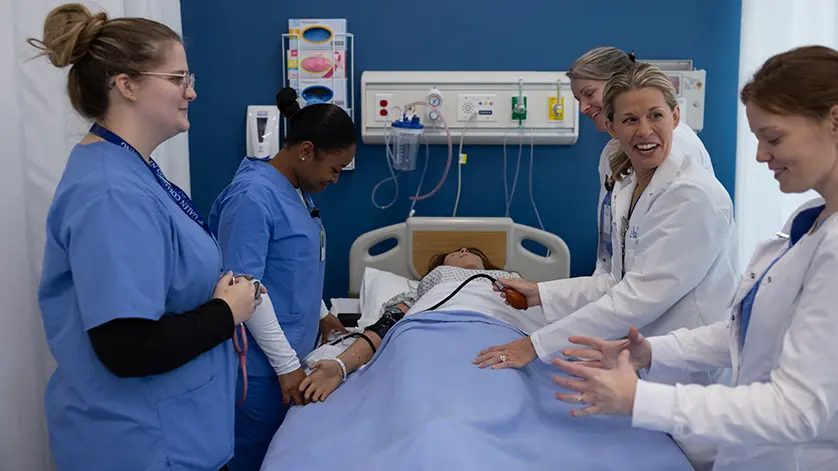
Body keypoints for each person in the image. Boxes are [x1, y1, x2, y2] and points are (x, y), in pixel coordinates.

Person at [550, 45, 838, 471]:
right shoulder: (808, 221)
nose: (760, 155)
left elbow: (796, 409)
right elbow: (749, 331)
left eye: (773, 137)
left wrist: (641, 399)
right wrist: (651, 352)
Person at [474, 63, 738, 470]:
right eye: (630, 119)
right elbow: (616, 280)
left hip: (688, 367)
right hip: (647, 358)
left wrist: (535, 346)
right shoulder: (632, 184)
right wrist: (542, 293)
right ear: (611, 127)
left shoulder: (693, 196)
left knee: (696, 459)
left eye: (656, 116)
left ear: (676, 117)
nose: (645, 130)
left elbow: (636, 297)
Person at [32, 4, 261, 471]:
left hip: (172, 434)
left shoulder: (133, 170)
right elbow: (128, 346)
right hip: (140, 446)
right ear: (127, 84)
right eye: (178, 79)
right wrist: (225, 313)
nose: (191, 92)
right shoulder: (110, 192)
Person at [208, 88, 356, 471]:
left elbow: (292, 263)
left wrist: (322, 314)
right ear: (306, 151)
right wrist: (287, 366)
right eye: (334, 168)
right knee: (256, 461)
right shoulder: (252, 197)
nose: (336, 178)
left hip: (290, 357)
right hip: (259, 370)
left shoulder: (294, 190)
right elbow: (244, 288)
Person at [299, 247, 535, 403]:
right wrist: (341, 365)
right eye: (454, 253)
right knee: (418, 391)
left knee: (507, 390)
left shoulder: (517, 286)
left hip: (500, 336)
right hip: (429, 337)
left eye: (471, 251)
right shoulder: (429, 289)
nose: (463, 250)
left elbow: (541, 326)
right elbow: (385, 326)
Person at [568, 47, 715, 289]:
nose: (583, 108)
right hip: (624, 296)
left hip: (673, 307)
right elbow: (611, 250)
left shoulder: (676, 147)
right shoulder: (612, 154)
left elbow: (663, 270)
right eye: (578, 100)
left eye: (589, 93)